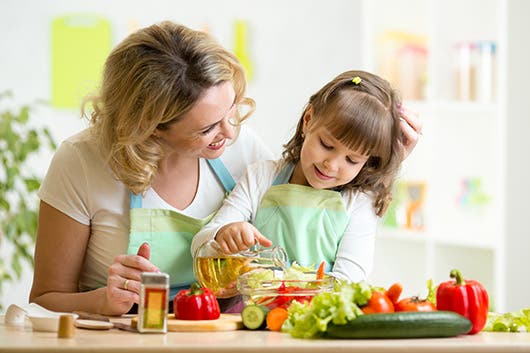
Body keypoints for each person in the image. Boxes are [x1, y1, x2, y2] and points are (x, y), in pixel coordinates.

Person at [29, 21, 273, 316]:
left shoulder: (242, 147)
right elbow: (45, 299)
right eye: (207, 128)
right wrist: (104, 301)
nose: (230, 133)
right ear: (152, 127)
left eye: (231, 109)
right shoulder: (81, 161)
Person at [192, 70, 420, 283]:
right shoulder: (261, 176)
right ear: (308, 120)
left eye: (352, 160)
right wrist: (223, 233)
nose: (331, 165)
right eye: (327, 145)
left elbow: (349, 279)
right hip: (257, 321)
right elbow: (200, 244)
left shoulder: (359, 202)